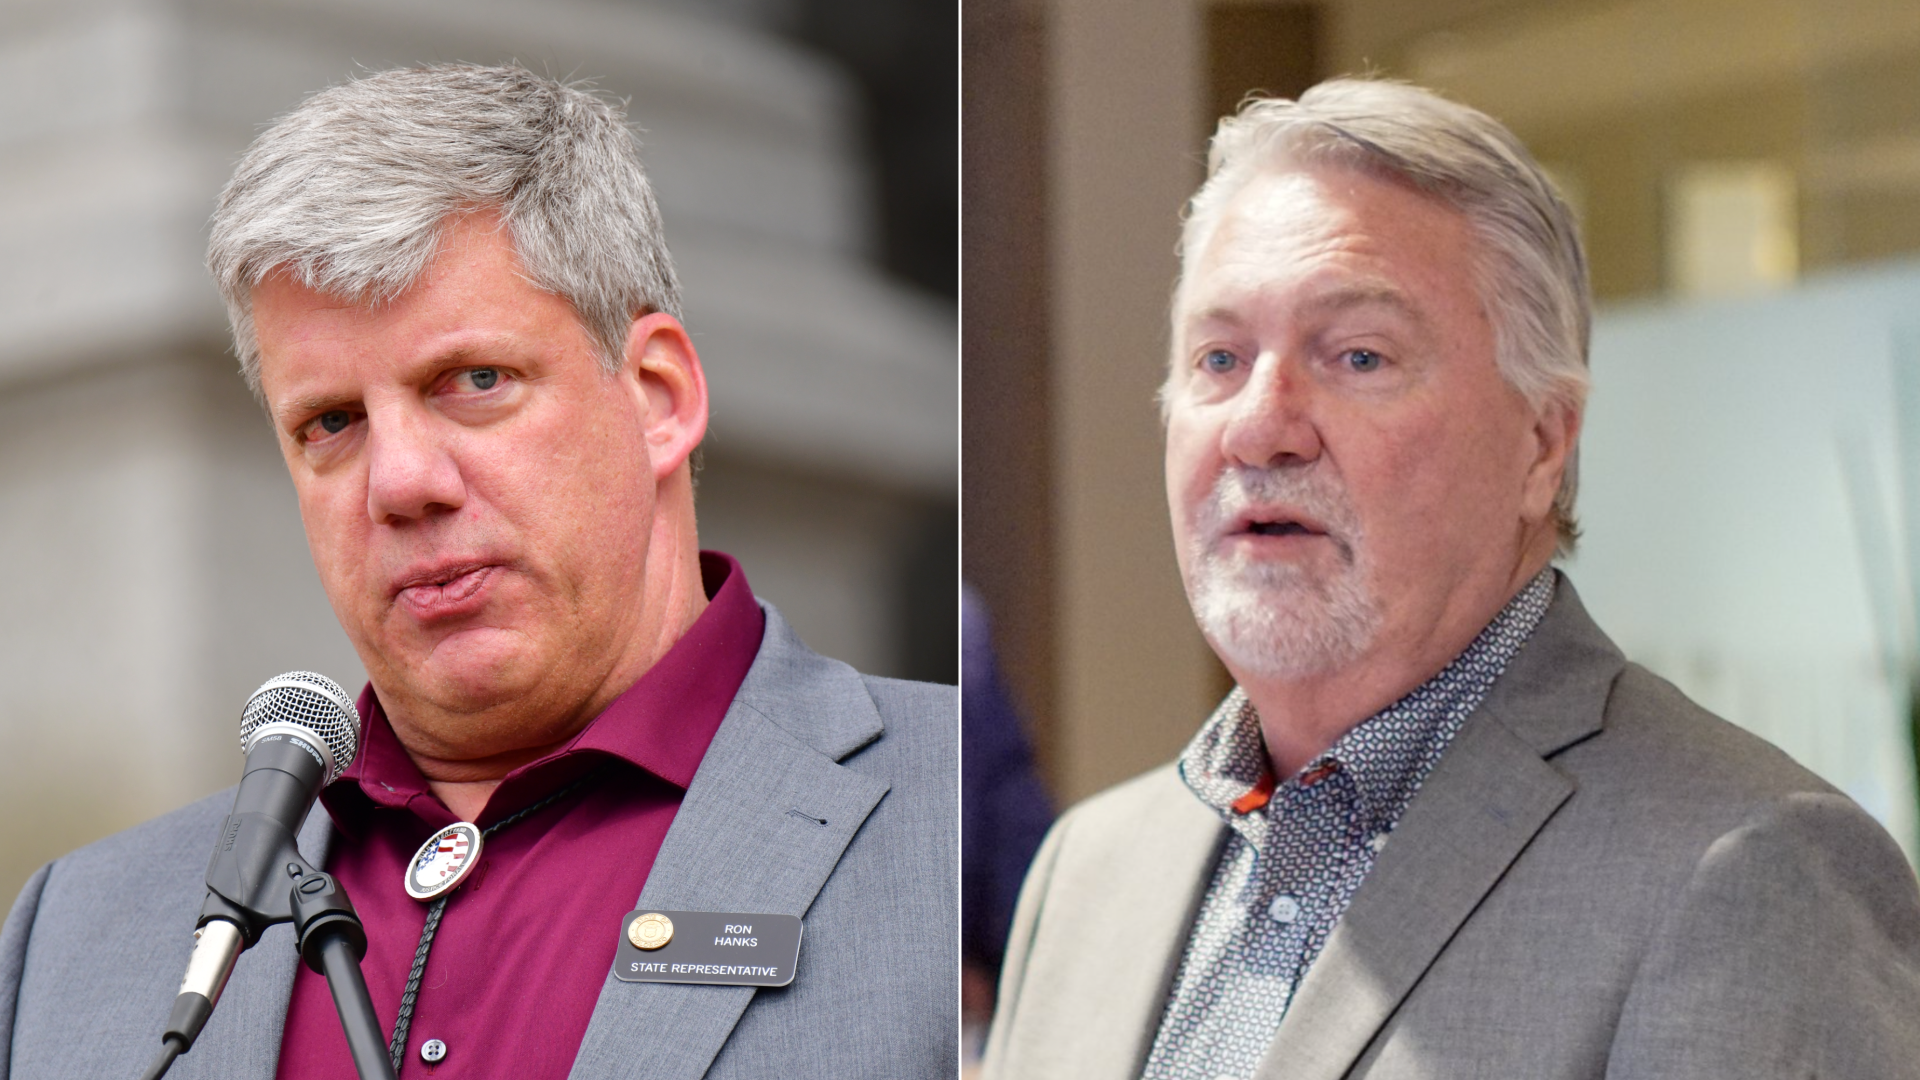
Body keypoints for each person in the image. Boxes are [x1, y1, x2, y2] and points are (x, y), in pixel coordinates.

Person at [0, 64, 955, 1079]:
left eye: (474, 382)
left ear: (659, 397)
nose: (402, 483)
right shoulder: (76, 937)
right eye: (332, 423)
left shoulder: (947, 827)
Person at [982, 78, 1920, 1080]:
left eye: (1357, 355)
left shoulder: (1753, 872)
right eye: (1219, 356)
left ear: (1541, 446)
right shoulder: (1083, 874)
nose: (1259, 426)